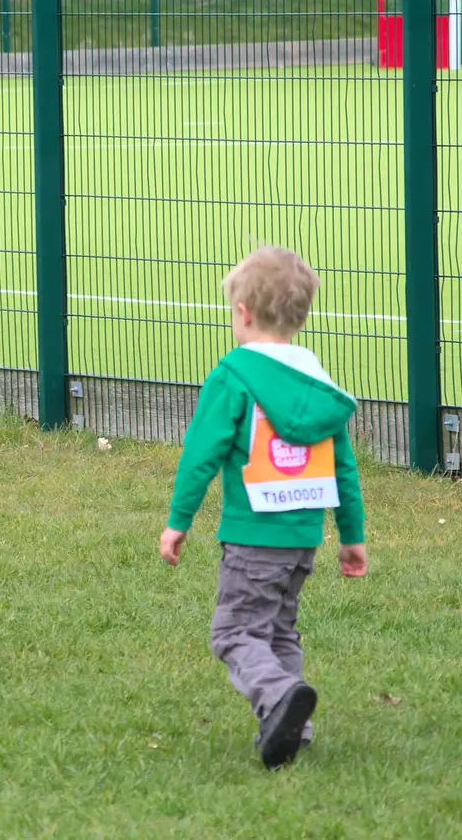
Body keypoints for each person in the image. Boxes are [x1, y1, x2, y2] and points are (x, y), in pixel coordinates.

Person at [158, 245, 368, 768]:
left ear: (244, 313)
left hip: (252, 537)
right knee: (277, 630)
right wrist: (351, 534)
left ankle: (278, 698)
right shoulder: (316, 380)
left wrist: (177, 522)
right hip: (302, 538)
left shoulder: (234, 374)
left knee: (234, 632)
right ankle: (292, 731)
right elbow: (344, 466)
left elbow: (200, 455)